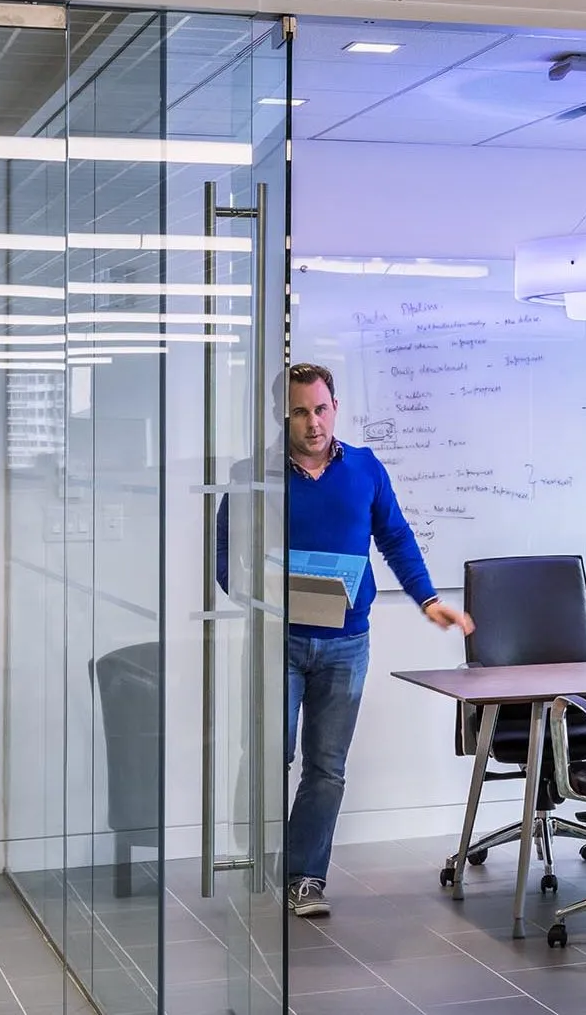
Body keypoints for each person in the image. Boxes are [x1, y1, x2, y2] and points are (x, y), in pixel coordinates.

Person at [221, 363, 471, 918]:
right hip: (276, 640)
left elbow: (397, 538)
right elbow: (225, 556)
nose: (314, 423)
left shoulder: (364, 468)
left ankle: (305, 876)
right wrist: (261, 593)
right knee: (269, 755)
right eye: (301, 411)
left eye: (322, 409)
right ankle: (257, 852)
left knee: (326, 766)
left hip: (345, 643)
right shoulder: (252, 473)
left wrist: (428, 600)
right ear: (282, 415)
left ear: (336, 407)